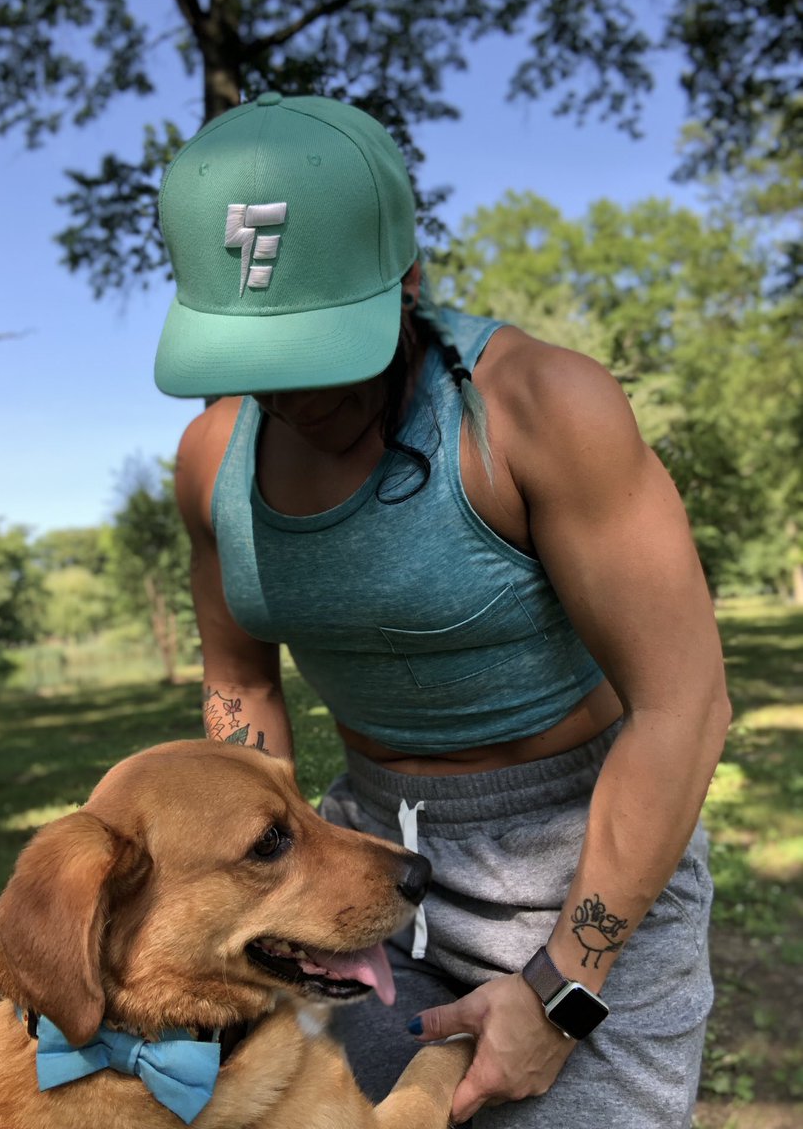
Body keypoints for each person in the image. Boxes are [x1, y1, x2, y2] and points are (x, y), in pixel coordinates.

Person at [154, 92, 730, 1127]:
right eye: (257, 356)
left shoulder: (539, 411)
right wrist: (260, 895)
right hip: (359, 857)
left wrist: (564, 985)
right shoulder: (209, 465)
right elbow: (240, 683)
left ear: (407, 280)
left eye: (324, 347)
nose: (291, 396)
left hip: (580, 855)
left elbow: (682, 704)